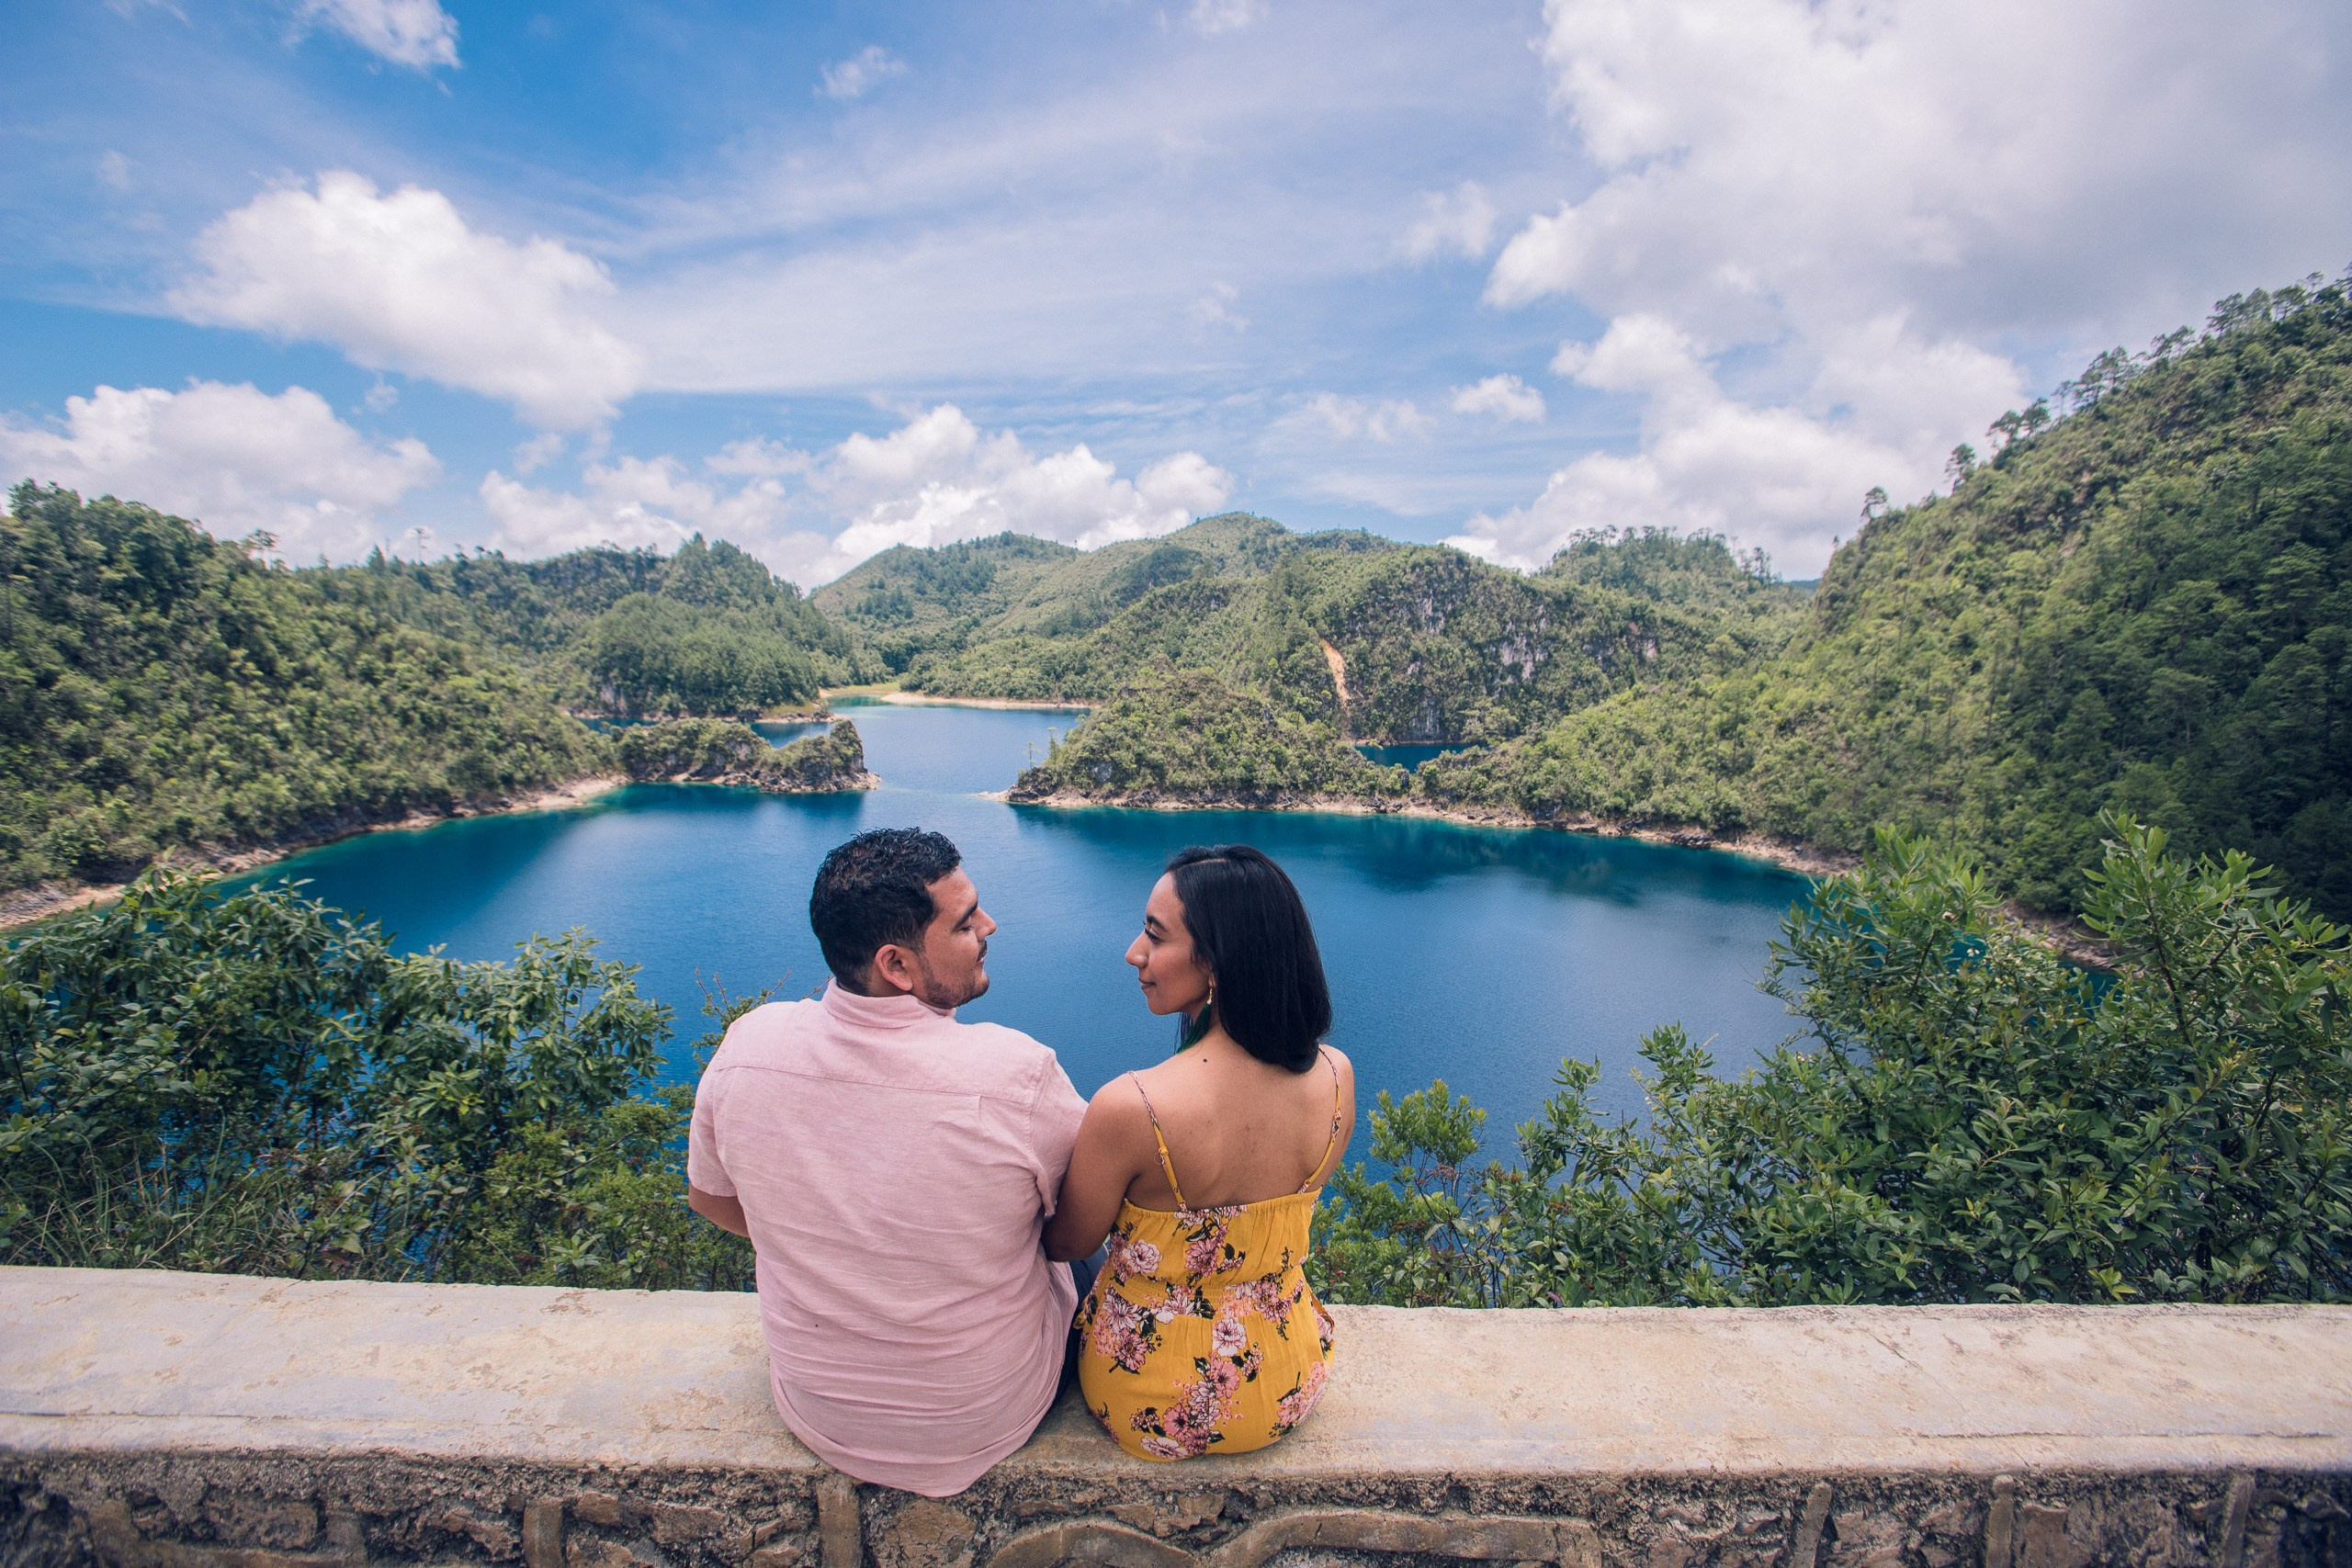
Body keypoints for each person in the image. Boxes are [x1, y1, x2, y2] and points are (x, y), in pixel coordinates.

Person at [685, 827, 1089, 1497]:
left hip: (821, 1412)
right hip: (983, 1416)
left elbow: (711, 1200)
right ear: (897, 965)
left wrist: (833, 1243)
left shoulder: (748, 1049)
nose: (990, 926)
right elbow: (1085, 1218)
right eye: (965, 923)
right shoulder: (1016, 1075)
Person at [1045, 843, 1354, 1461]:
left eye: (1155, 936)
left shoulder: (1133, 1106)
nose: (1134, 952)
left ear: (1215, 962)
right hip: (1286, 1381)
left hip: (1150, 1400)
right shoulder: (1336, 1075)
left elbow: (1067, 1243)